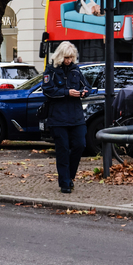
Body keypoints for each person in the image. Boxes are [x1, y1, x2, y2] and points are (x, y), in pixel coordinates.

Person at [42, 41, 90, 194]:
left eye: (71, 58)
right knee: (62, 150)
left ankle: (69, 176)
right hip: (58, 116)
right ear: (60, 56)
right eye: (66, 57)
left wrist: (84, 92)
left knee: (80, 145)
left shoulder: (76, 70)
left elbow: (87, 86)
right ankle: (65, 182)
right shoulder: (51, 70)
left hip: (76, 116)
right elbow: (47, 90)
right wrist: (67, 92)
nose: (68, 61)